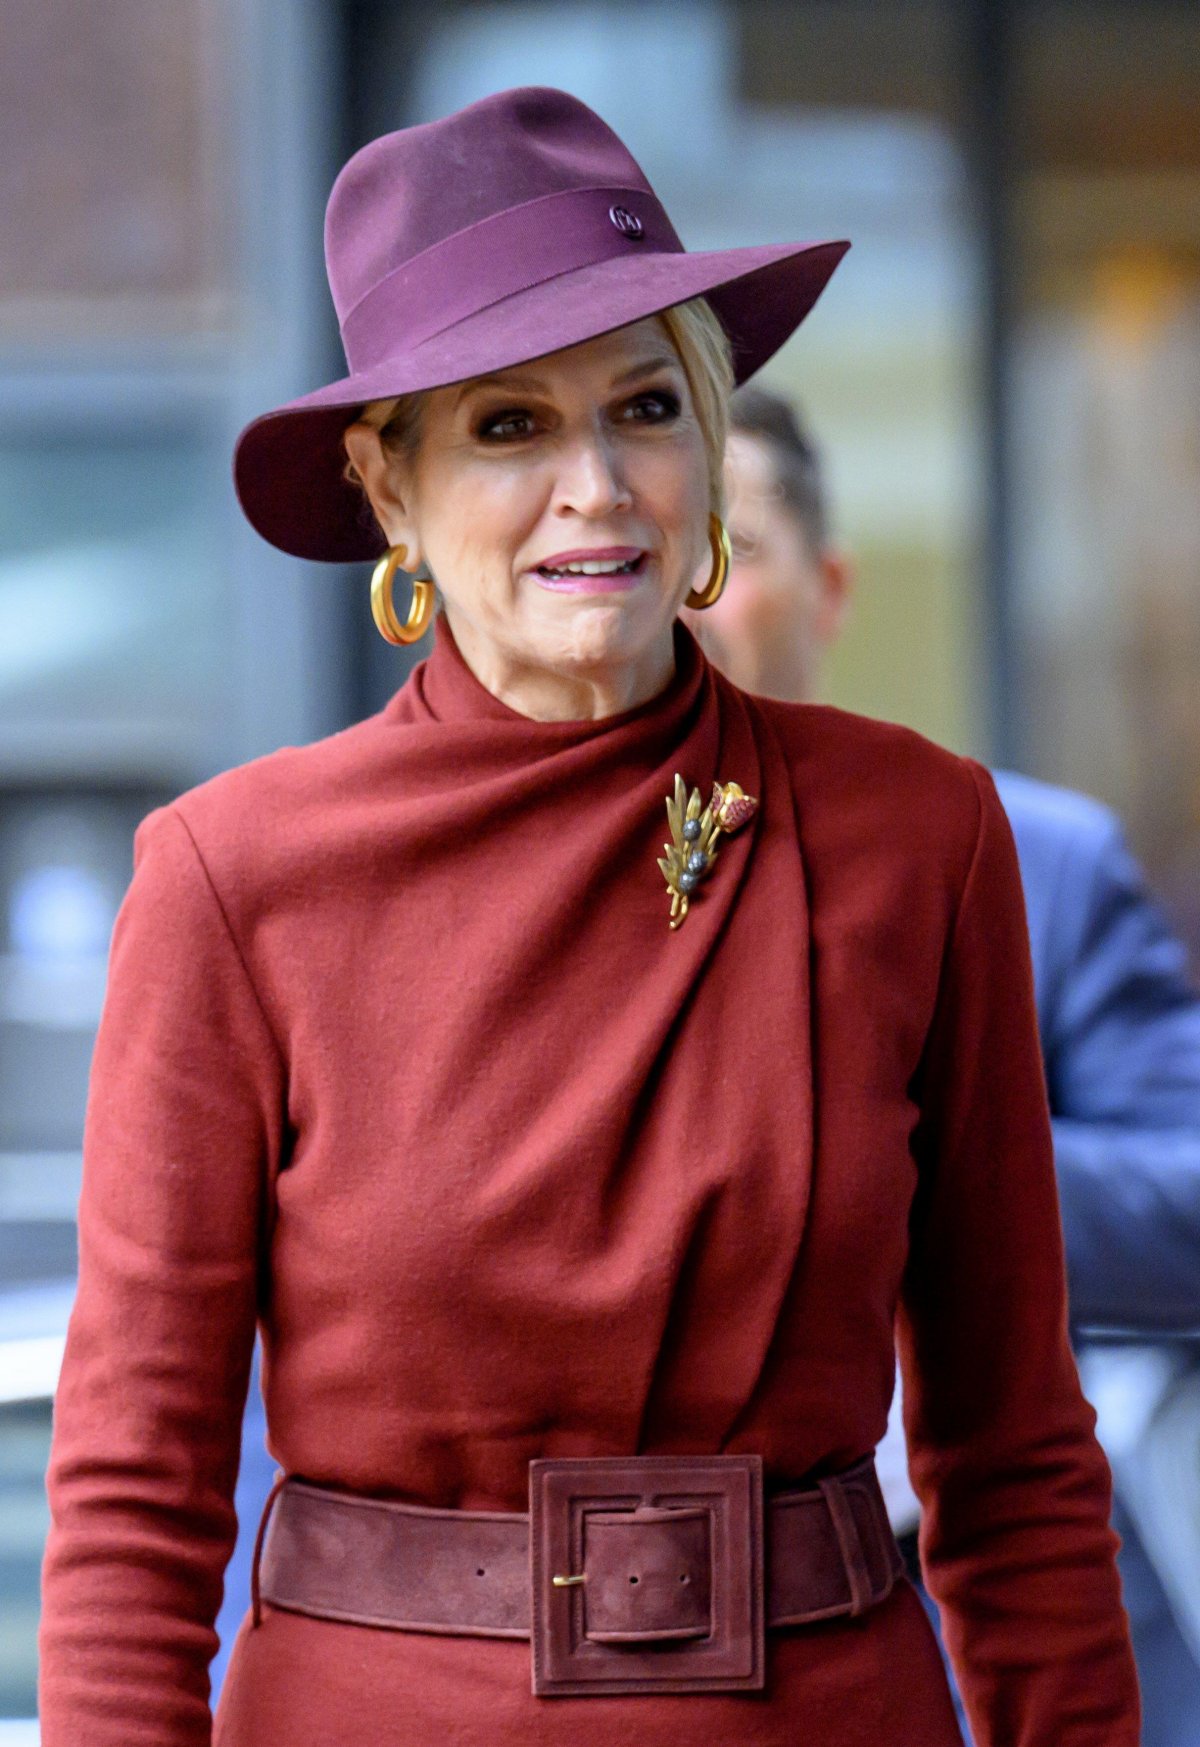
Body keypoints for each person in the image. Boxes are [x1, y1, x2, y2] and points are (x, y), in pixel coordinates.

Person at [38, 87, 1139, 1747]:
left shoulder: (923, 833)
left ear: (710, 445)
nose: (598, 485)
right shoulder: (232, 880)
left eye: (644, 408)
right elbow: (135, 1499)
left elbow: (1015, 1452)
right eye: (508, 429)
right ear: (386, 490)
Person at [693, 383, 1200, 1743]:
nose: (685, 591)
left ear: (831, 587)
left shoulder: (1028, 858)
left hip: (986, 1612)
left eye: (727, 548)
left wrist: (929, 1176)